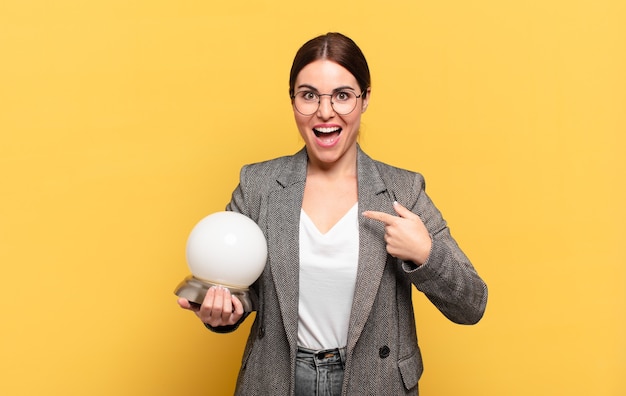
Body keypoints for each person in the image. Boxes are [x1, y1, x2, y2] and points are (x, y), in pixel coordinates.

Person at [178, 32, 488, 395]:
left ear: (365, 99)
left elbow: (472, 304)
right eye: (308, 95)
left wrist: (426, 256)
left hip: (375, 382)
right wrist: (223, 312)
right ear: (293, 99)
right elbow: (235, 288)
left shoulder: (404, 191)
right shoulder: (258, 185)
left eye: (342, 95)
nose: (325, 112)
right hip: (278, 380)